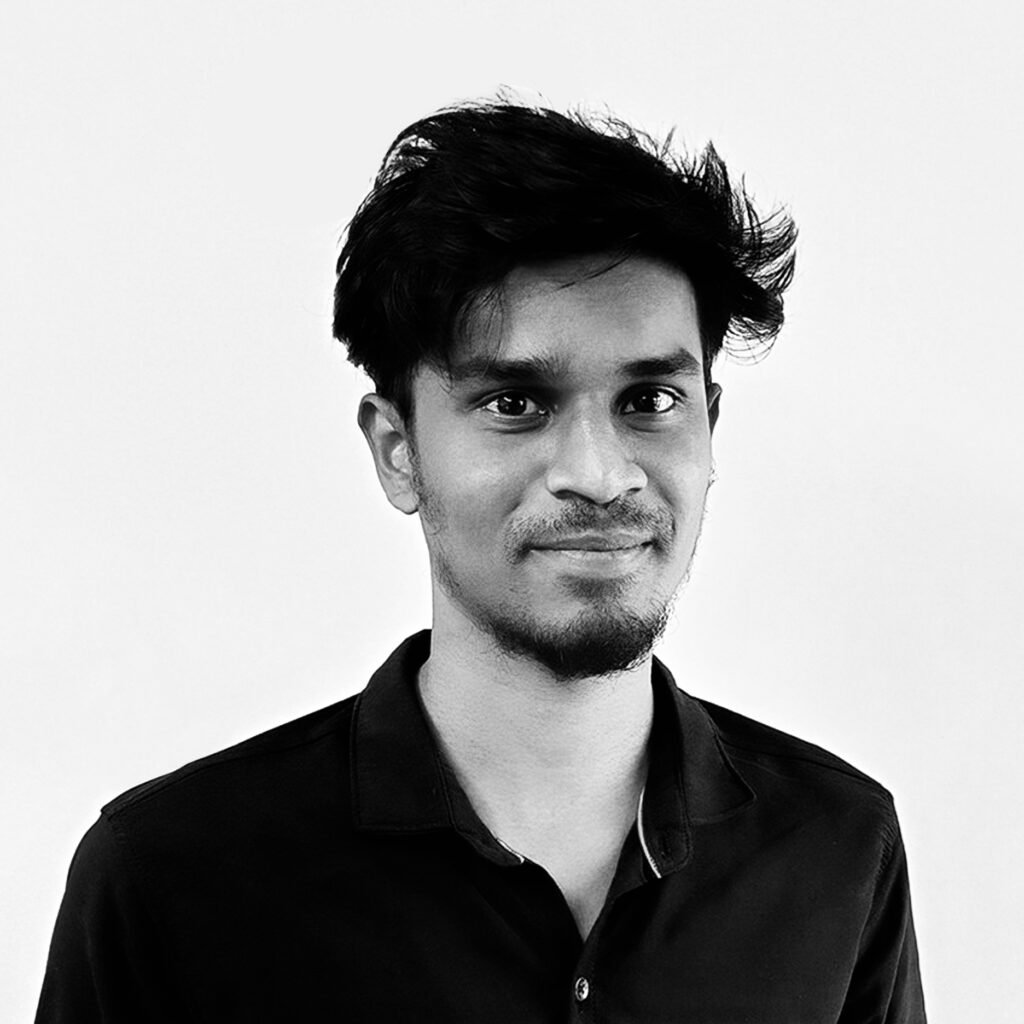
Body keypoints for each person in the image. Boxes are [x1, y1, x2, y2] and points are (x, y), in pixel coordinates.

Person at [36, 100, 926, 1022]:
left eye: (652, 399)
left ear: (711, 428)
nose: (600, 475)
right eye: (514, 403)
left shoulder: (838, 849)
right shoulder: (172, 879)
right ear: (397, 451)